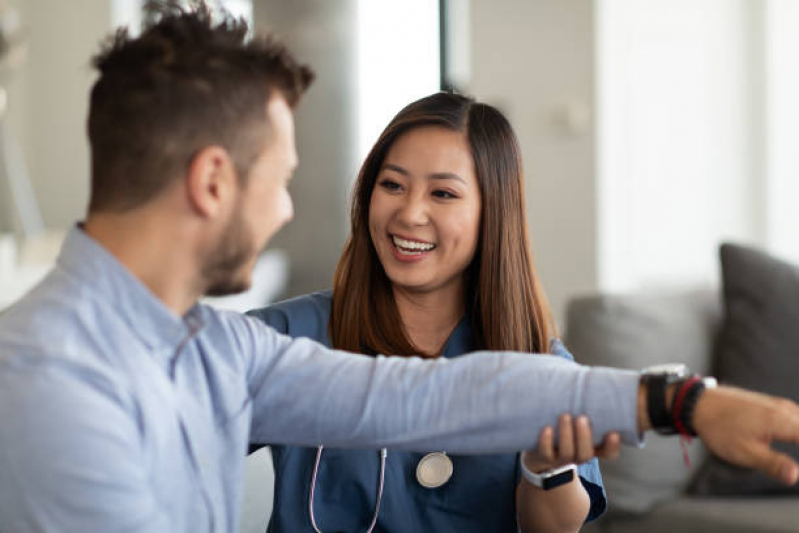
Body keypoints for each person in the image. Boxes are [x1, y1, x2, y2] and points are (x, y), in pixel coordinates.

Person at [1, 3, 799, 532]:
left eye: (442, 192)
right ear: (214, 181)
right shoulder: (47, 380)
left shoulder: (219, 350)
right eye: (280, 180)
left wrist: (682, 400)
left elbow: (438, 392)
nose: (286, 211)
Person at [248, 92, 615, 532]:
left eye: (442, 193)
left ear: (492, 214)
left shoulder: (541, 365)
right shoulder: (288, 337)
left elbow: (554, 529)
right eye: (392, 185)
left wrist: (546, 466)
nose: (409, 213)